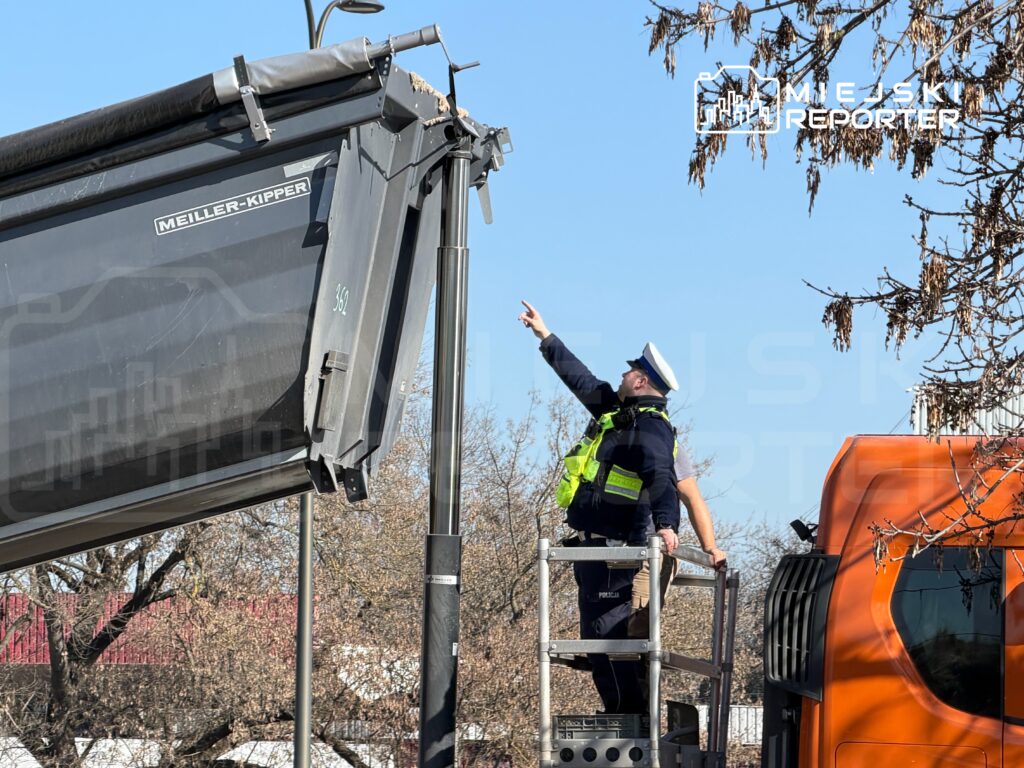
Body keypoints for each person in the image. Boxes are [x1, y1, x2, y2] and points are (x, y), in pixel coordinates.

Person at [518, 299, 681, 715]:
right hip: (595, 550)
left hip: (613, 550)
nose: (622, 375)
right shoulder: (621, 416)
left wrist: (667, 524)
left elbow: (662, 476)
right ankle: (620, 713)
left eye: (629, 371)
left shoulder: (650, 428)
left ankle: (626, 717)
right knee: (598, 634)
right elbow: (581, 380)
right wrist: (545, 336)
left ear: (641, 380)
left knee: (608, 635)